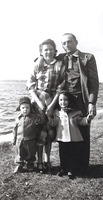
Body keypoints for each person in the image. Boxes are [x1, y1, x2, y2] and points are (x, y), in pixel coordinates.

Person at [57, 33, 99, 175]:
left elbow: (93, 83)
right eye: (63, 43)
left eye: (69, 42)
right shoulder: (60, 58)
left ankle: (81, 167)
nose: (66, 45)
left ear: (76, 42)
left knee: (82, 133)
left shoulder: (88, 58)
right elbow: (45, 59)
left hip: (81, 100)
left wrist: (91, 103)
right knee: (64, 134)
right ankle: (66, 166)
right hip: (64, 101)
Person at [27, 39, 66, 173]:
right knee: (38, 133)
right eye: (45, 50)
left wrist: (51, 106)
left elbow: (60, 88)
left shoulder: (60, 65)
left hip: (52, 103)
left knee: (48, 133)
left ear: (55, 51)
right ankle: (38, 162)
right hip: (37, 103)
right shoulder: (37, 64)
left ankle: (47, 160)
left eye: (50, 49)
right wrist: (39, 103)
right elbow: (31, 86)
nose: (48, 52)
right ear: (41, 52)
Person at [48, 91, 93, 179]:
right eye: (60, 100)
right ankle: (63, 168)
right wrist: (48, 118)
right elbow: (53, 123)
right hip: (62, 138)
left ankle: (71, 170)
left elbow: (81, 121)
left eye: (65, 100)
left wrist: (88, 119)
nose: (62, 102)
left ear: (69, 101)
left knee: (72, 154)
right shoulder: (57, 112)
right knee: (63, 154)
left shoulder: (76, 112)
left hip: (74, 138)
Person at [12, 96, 45, 173]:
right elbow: (15, 129)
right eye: (23, 108)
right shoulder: (18, 118)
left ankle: (30, 164)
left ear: (30, 108)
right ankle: (19, 165)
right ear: (20, 109)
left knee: (31, 153)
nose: (25, 109)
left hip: (31, 139)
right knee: (19, 153)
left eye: (27, 107)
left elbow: (41, 122)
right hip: (20, 140)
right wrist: (14, 138)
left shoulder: (34, 117)